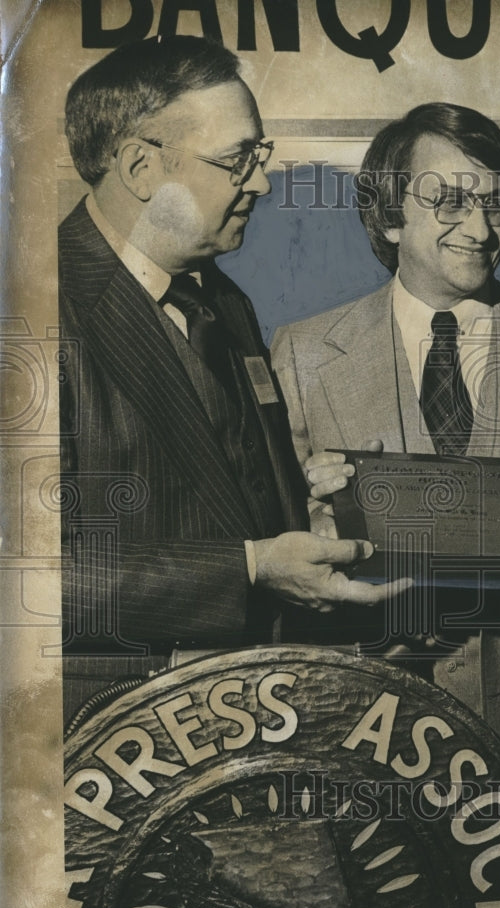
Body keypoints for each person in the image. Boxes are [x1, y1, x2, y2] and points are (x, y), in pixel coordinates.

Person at [271, 102, 500, 892]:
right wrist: (318, 522)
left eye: (495, 202)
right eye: (448, 202)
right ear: (388, 216)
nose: (480, 226)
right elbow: (282, 547)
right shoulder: (301, 353)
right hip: (365, 722)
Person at [59, 35, 407, 729]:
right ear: (138, 166)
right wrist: (248, 567)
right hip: (109, 734)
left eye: (260, 156)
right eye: (235, 161)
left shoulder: (223, 302)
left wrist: (302, 518)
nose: (262, 183)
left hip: (248, 721)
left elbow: (222, 490)